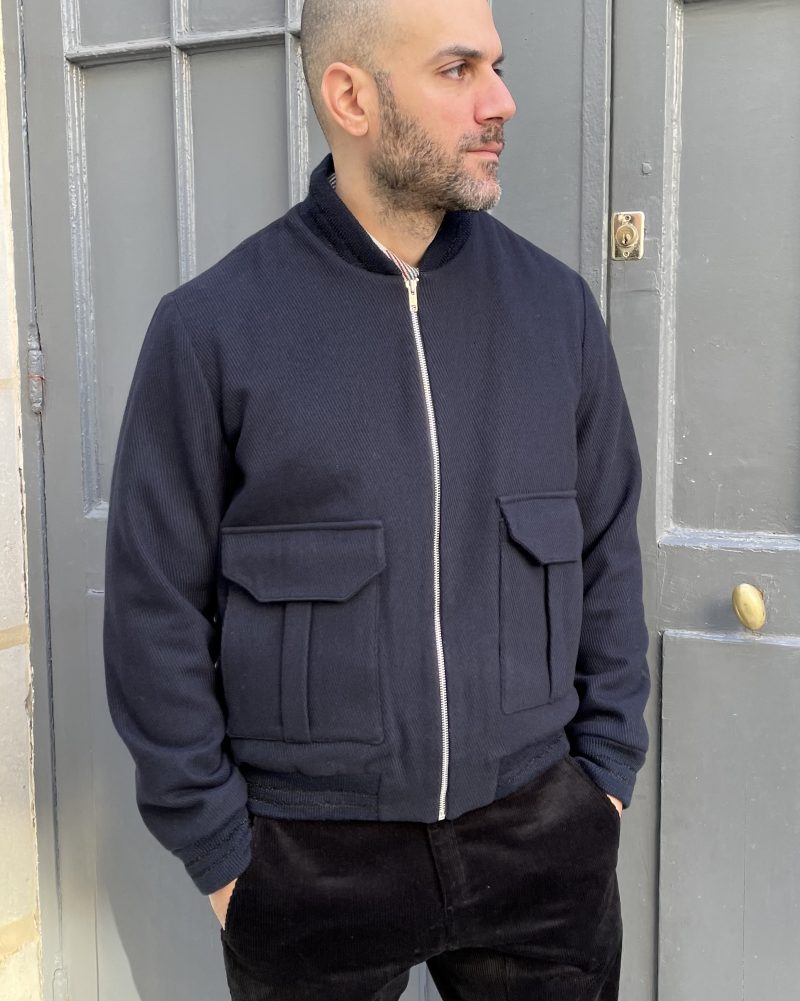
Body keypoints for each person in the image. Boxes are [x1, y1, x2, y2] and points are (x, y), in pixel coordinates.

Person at [102, 0, 651, 997]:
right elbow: (153, 608)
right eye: (456, 70)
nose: (500, 100)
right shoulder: (211, 330)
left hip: (540, 838)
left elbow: (608, 550)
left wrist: (602, 779)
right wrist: (224, 857)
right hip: (310, 858)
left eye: (495, 66)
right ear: (351, 97)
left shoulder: (558, 312)